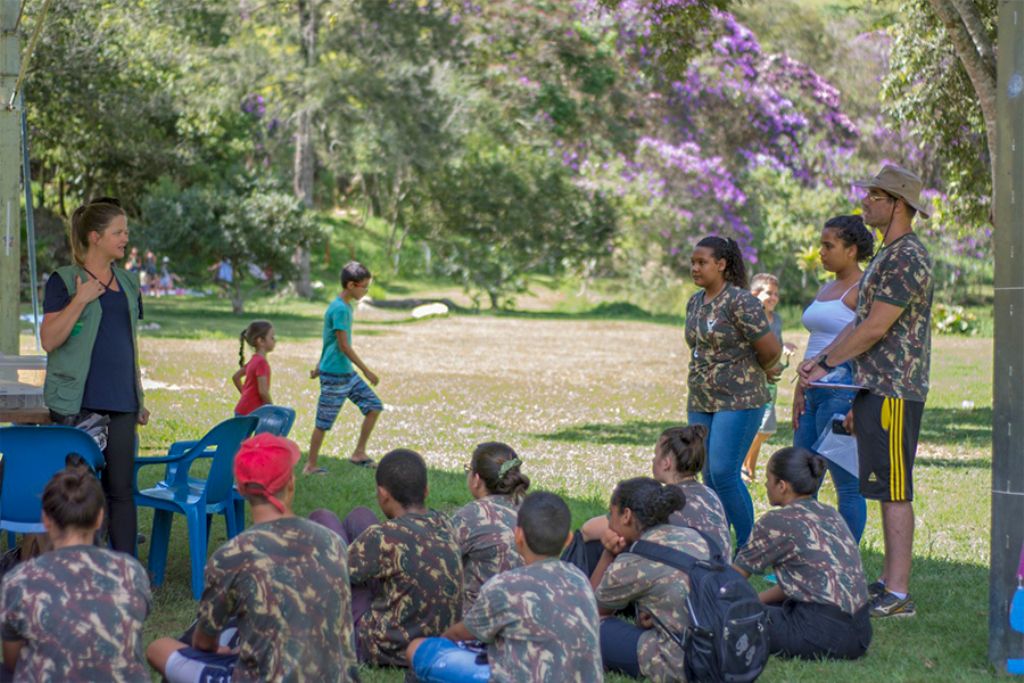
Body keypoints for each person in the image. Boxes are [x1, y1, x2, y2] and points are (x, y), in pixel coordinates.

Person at [799, 165, 933, 618]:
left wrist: (829, 363)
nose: (866, 203)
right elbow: (858, 323)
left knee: (895, 488)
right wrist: (820, 363)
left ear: (898, 204)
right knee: (881, 484)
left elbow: (876, 326)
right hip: (871, 385)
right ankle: (886, 584)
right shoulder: (888, 255)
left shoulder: (907, 256)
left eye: (875, 196)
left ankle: (898, 594)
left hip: (895, 388)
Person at [146, 434, 360, 682]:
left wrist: (221, 650)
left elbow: (204, 642)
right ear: (291, 483)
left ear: (242, 488)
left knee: (159, 648)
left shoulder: (232, 555)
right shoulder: (332, 541)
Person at [40, 197, 149, 555]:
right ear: (94, 237)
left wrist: (138, 396)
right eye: (118, 231)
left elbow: (126, 344)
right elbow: (49, 340)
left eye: (125, 231)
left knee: (121, 491)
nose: (125, 237)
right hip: (79, 402)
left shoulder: (129, 283)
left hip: (122, 402)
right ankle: (77, 566)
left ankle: (127, 571)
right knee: (79, 491)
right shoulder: (64, 281)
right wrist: (81, 299)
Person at [408, 492, 602, 683]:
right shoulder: (580, 579)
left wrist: (442, 641)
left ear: (518, 535)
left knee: (418, 648)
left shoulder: (505, 586)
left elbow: (462, 634)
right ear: (568, 539)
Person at [310, 448, 462, 669]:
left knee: (322, 519)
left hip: (384, 648)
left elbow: (333, 574)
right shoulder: (445, 523)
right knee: (360, 515)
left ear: (383, 494)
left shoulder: (382, 538)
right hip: (436, 641)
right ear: (426, 490)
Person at [1, 463, 152, 680]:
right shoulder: (131, 571)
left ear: (45, 519)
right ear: (100, 518)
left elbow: (12, 660)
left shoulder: (20, 580)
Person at [685, 236, 781, 548]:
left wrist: (761, 369)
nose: (695, 268)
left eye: (702, 262)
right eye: (693, 262)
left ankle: (749, 548)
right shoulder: (695, 302)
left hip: (739, 399)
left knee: (725, 473)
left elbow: (770, 349)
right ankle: (717, 545)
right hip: (702, 398)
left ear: (722, 264)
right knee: (709, 476)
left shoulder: (741, 301)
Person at [733, 447, 872, 660]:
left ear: (782, 486)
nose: (765, 484)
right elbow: (802, 584)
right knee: (757, 609)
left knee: (734, 618)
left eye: (769, 479)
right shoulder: (830, 513)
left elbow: (732, 579)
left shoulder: (776, 522)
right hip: (860, 633)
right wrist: (758, 600)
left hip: (818, 633)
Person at [792, 215, 874, 542]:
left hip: (842, 391)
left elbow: (868, 341)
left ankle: (845, 558)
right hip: (813, 391)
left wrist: (858, 403)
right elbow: (816, 345)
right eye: (821, 244)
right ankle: (805, 553)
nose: (821, 252)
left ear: (851, 250)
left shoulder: (864, 288)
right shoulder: (827, 287)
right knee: (801, 479)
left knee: (847, 484)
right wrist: (801, 387)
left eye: (829, 245)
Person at [590, 477, 712, 681]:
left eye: (610, 514)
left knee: (593, 627)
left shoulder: (634, 560)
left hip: (683, 664)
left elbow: (591, 609)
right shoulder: (694, 537)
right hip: (717, 647)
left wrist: (608, 554)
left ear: (626, 515)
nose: (609, 523)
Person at [571, 425, 731, 572]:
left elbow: (589, 529)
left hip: (686, 590)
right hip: (719, 583)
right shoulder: (710, 494)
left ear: (666, 463)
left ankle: (572, 595)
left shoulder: (663, 500)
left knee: (596, 544)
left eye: (655, 454)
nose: (653, 460)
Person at [306, 261, 382, 473]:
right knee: (323, 422)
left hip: (345, 373)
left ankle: (359, 453)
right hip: (336, 375)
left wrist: (318, 365)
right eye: (364, 286)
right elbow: (342, 345)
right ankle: (310, 465)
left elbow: (327, 342)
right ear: (351, 285)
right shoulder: (340, 309)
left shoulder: (343, 306)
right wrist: (366, 370)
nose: (366, 291)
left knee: (373, 406)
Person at [450, 442, 530, 611]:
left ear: (477, 480)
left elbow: (439, 561)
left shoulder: (472, 515)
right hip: (528, 616)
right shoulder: (532, 510)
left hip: (479, 623)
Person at [742, 273, 795, 482]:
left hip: (770, 382)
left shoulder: (778, 319)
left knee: (765, 428)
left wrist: (785, 347)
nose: (774, 297)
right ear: (755, 294)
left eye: (776, 294)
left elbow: (774, 344)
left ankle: (747, 467)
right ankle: (746, 468)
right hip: (753, 380)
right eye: (769, 293)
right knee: (762, 426)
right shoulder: (752, 318)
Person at [232, 320, 275, 416]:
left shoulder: (254, 360)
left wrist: (245, 395)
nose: (275, 340)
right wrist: (272, 409)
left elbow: (236, 377)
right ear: (261, 341)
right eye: (271, 337)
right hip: (251, 412)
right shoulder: (261, 363)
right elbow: (263, 392)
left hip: (242, 409)